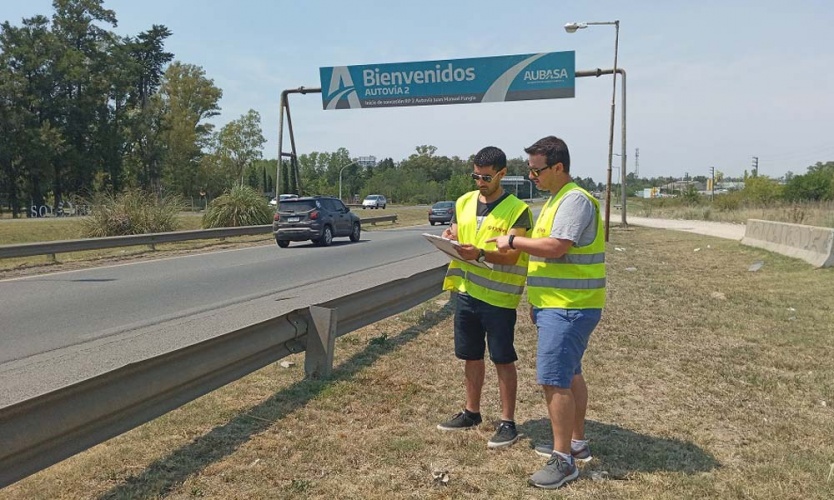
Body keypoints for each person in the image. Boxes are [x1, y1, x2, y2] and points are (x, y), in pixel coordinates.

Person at [490, 136, 606, 489]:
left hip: (568, 307)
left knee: (554, 380)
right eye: (529, 169)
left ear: (559, 167)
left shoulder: (573, 200)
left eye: (536, 169)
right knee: (570, 375)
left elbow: (556, 248)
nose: (531, 176)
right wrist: (538, 304)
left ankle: (563, 460)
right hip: (558, 305)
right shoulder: (557, 200)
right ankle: (575, 442)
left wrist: (513, 241)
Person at [436, 146, 532, 449]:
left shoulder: (518, 209)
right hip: (466, 293)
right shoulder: (463, 201)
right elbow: (457, 230)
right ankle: (471, 412)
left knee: (502, 358)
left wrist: (478, 253)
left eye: (486, 176)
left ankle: (507, 422)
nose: (480, 181)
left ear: (502, 174)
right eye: (476, 175)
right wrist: (450, 236)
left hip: (498, 298)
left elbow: (514, 256)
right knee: (471, 356)